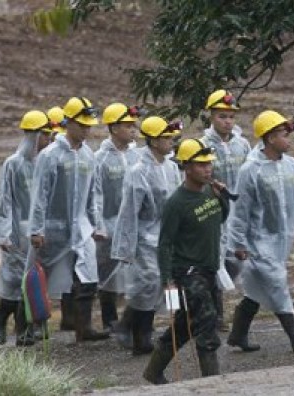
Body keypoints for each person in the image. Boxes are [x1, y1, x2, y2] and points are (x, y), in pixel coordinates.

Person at [143, 138, 228, 384]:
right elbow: (165, 244)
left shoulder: (209, 193)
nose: (207, 169)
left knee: (184, 324)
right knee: (207, 321)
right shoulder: (176, 203)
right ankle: (211, 382)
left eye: (209, 164)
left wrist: (221, 197)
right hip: (189, 273)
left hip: (210, 270)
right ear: (187, 168)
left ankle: (153, 371)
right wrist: (167, 280)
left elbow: (220, 218)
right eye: (201, 165)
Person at [226, 110, 294, 353]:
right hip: (258, 241)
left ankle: (238, 334)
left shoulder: (292, 166)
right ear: (270, 138)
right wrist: (238, 244)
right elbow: (240, 211)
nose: (289, 140)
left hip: (282, 239)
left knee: (256, 288)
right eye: (284, 135)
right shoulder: (250, 170)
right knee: (276, 282)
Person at [29, 97, 109, 342]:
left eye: (89, 125)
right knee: (44, 276)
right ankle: (35, 326)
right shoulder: (51, 155)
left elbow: (94, 192)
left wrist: (96, 224)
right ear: (69, 122)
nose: (87, 129)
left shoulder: (88, 155)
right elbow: (39, 194)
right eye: (82, 125)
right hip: (54, 227)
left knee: (87, 275)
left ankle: (83, 328)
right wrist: (37, 228)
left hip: (81, 226)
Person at [110, 116, 182, 355]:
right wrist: (126, 246)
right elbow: (129, 211)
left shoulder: (171, 167)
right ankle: (140, 334)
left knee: (165, 285)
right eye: (165, 138)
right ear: (152, 140)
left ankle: (136, 329)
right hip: (145, 237)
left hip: (167, 237)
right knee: (147, 283)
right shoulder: (138, 171)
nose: (170, 142)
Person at [0, 110, 53, 346]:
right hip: (17, 233)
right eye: (44, 134)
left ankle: (25, 330)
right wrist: (3, 234)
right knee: (15, 282)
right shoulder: (13, 164)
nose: (48, 139)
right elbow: (3, 200)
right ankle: (0, 318)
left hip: (39, 233)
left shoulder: (46, 163)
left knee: (33, 283)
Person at [200, 89, 251, 330]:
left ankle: (211, 301)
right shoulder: (202, 145)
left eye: (231, 116)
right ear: (211, 116)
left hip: (238, 211)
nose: (227, 121)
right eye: (222, 116)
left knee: (236, 260)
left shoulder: (242, 145)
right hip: (213, 211)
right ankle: (215, 314)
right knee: (214, 261)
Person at [93, 103, 142, 333]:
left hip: (135, 225)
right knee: (107, 272)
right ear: (113, 128)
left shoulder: (137, 156)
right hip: (110, 224)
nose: (133, 129)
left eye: (133, 125)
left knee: (137, 271)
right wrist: (100, 224)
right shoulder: (100, 159)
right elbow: (96, 194)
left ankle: (133, 319)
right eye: (127, 125)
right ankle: (109, 319)